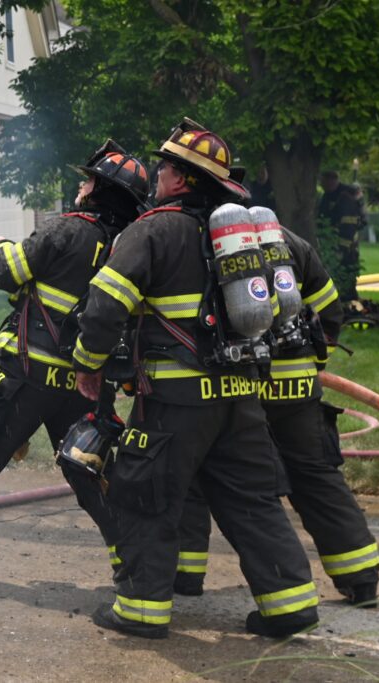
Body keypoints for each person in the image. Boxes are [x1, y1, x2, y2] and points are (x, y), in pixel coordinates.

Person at [72, 118, 319, 640]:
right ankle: (290, 604)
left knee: (144, 496)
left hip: (175, 403)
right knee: (252, 501)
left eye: (163, 169)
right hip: (242, 396)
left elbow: (103, 308)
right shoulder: (243, 238)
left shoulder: (154, 229)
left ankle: (140, 611)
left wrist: (88, 364)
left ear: (181, 178)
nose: (158, 176)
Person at [0, 141, 150, 585]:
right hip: (85, 385)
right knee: (92, 473)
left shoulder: (67, 229)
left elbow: (7, 271)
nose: (81, 185)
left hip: (23, 378)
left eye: (88, 179)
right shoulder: (129, 247)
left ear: (99, 188)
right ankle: (136, 563)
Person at [175, 224, 379, 608]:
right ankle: (360, 577)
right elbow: (329, 310)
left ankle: (185, 575)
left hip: (241, 388)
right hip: (298, 386)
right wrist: (313, 366)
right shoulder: (289, 240)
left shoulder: (199, 240)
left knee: (201, 471)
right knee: (316, 476)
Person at [318, 170, 363, 302]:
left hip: (346, 249)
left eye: (324, 181)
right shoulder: (328, 195)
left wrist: (341, 250)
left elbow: (348, 227)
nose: (322, 184)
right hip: (333, 247)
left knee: (346, 281)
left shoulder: (344, 197)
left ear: (332, 180)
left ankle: (349, 306)